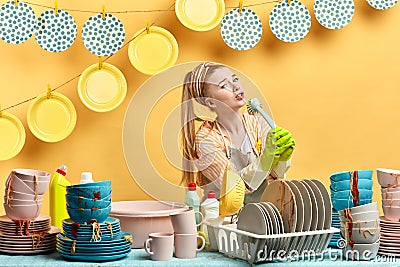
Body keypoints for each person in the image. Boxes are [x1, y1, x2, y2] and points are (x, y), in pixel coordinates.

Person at [181, 62, 295, 203]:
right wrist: (265, 160)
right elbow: (234, 187)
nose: (236, 86)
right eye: (224, 86)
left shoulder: (259, 124)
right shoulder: (205, 139)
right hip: (223, 219)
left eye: (235, 79)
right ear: (211, 102)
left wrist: (283, 159)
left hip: (263, 213)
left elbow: (275, 176)